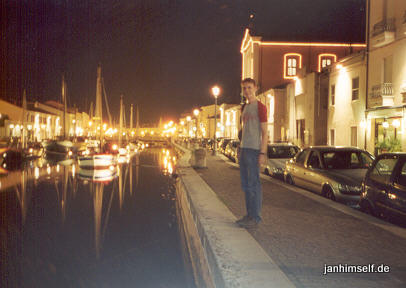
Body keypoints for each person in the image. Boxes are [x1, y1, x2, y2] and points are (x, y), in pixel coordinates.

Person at [236, 78, 268, 228]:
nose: (247, 91)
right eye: (244, 88)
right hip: (244, 149)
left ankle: (256, 217)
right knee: (245, 184)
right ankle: (249, 215)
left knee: (254, 184)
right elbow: (243, 130)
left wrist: (262, 153)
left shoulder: (260, 107)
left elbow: (264, 133)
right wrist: (239, 147)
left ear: (255, 88)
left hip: (254, 150)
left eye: (249, 87)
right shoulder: (244, 107)